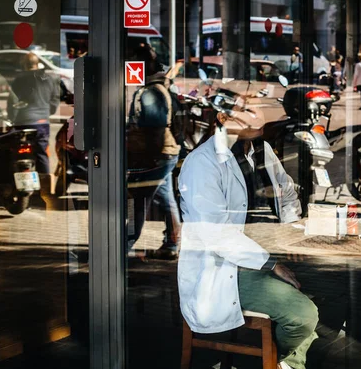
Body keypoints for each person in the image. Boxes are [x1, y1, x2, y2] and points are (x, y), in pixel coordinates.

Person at [177, 106, 318, 369]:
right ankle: (277, 362)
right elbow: (216, 234)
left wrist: (288, 231)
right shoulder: (202, 163)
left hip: (268, 256)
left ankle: (274, 362)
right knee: (303, 315)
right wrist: (272, 264)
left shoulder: (261, 151)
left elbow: (287, 193)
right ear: (222, 118)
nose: (259, 114)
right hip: (229, 269)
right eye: (248, 109)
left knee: (324, 290)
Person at [126, 44, 181, 255]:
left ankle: (126, 243)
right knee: (166, 199)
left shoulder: (151, 92)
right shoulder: (154, 88)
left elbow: (155, 130)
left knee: (139, 198)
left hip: (159, 154)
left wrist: (149, 159)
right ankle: (172, 243)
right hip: (164, 153)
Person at [7, 52, 60, 174]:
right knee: (41, 153)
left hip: (23, 121)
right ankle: (45, 186)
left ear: (24, 65)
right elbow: (55, 99)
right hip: (42, 122)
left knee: (13, 150)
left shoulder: (19, 80)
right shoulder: (48, 79)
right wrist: (47, 112)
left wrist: (12, 118)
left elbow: (13, 103)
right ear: (37, 64)